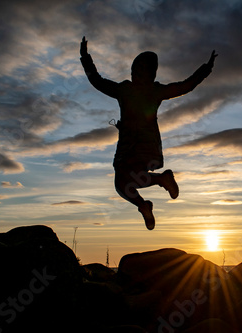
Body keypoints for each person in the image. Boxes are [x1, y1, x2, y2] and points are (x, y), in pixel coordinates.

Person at [80, 36, 217, 230]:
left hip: (143, 146)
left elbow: (185, 86)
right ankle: (146, 203)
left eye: (143, 70)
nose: (138, 73)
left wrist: (206, 68)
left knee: (126, 180)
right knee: (122, 184)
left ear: (151, 73)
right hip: (129, 146)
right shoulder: (127, 90)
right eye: (135, 70)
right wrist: (85, 57)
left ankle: (159, 184)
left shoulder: (149, 90)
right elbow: (97, 81)